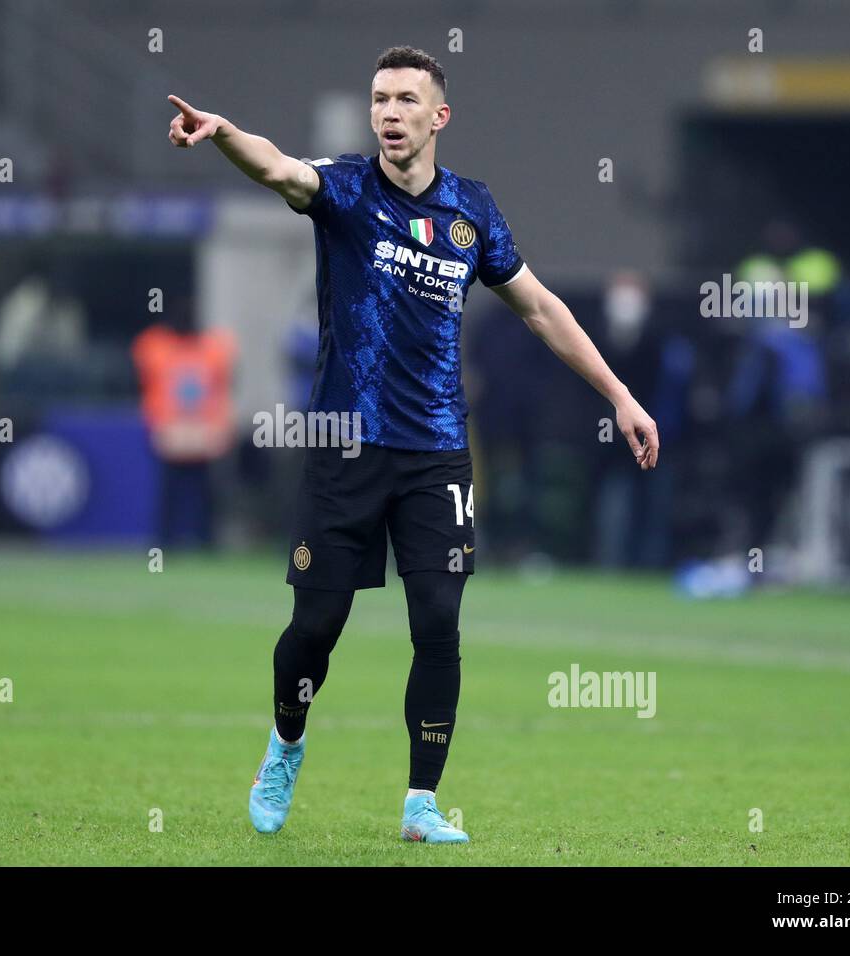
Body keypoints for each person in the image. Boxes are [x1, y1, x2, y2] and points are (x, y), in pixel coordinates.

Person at [167, 46, 658, 843]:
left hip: (435, 452)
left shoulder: (473, 211)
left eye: (404, 100)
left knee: (437, 618)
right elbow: (282, 171)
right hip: (346, 447)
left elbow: (538, 307)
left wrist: (621, 395)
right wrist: (224, 132)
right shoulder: (348, 190)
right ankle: (286, 742)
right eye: (379, 99)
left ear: (439, 117)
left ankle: (421, 802)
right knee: (315, 630)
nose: (389, 113)